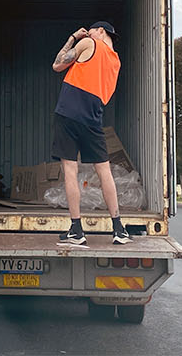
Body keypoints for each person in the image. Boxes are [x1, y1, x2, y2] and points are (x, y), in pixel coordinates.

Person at [52, 22, 128, 245]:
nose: (89, 32)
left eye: (92, 29)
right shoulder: (116, 61)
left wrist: (73, 37)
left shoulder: (88, 42)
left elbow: (57, 65)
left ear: (101, 31)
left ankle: (76, 230)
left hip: (68, 112)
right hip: (93, 116)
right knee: (104, 170)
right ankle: (118, 229)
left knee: (69, 169)